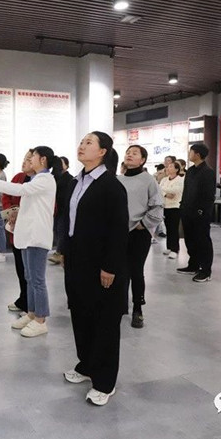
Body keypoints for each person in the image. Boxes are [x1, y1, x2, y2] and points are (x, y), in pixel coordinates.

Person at [61, 132, 128, 406]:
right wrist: (65, 250)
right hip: (77, 261)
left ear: (102, 152)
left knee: (104, 321)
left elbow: (118, 230)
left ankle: (105, 381)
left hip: (101, 265)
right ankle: (87, 364)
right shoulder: (76, 181)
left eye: (89, 143)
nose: (82, 145)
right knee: (81, 314)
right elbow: (68, 220)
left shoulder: (111, 186)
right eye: (82, 142)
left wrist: (110, 266)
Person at [0, 146, 58, 338]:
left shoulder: (45, 179)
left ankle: (41, 320)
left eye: (32, 156)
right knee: (29, 278)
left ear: (42, 159)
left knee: (37, 280)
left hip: (36, 237)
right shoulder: (36, 179)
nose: (29, 159)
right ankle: (32, 313)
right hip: (28, 236)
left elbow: (21, 189)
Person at [118, 145, 163, 328]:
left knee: (136, 271)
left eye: (134, 153)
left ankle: (138, 309)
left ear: (142, 160)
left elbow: (157, 206)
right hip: (119, 233)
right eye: (128, 152)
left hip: (138, 233)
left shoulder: (148, 180)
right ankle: (120, 306)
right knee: (119, 271)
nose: (129, 155)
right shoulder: (118, 179)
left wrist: (143, 224)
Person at [177, 144, 216, 282]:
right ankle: (193, 265)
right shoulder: (191, 171)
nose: (189, 154)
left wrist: (202, 211)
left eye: (191, 151)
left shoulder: (207, 172)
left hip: (200, 213)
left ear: (198, 154)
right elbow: (186, 190)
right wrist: (183, 206)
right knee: (190, 239)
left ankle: (205, 270)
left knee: (202, 241)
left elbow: (209, 195)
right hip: (187, 210)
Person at [4, 150, 34, 313]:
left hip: (32, 234)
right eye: (24, 158)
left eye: (29, 159)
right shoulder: (18, 177)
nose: (24, 162)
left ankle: (32, 307)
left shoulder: (42, 181)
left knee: (32, 273)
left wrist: (21, 214)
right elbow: (6, 196)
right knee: (21, 269)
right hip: (15, 231)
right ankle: (23, 299)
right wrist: (11, 212)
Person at [159, 161, 184, 259]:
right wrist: (165, 194)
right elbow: (159, 189)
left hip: (175, 207)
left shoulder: (180, 180)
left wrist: (164, 190)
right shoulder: (164, 179)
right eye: (168, 166)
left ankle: (175, 249)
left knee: (174, 228)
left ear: (176, 169)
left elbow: (175, 191)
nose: (168, 168)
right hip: (165, 206)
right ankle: (169, 247)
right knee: (168, 228)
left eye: (170, 167)